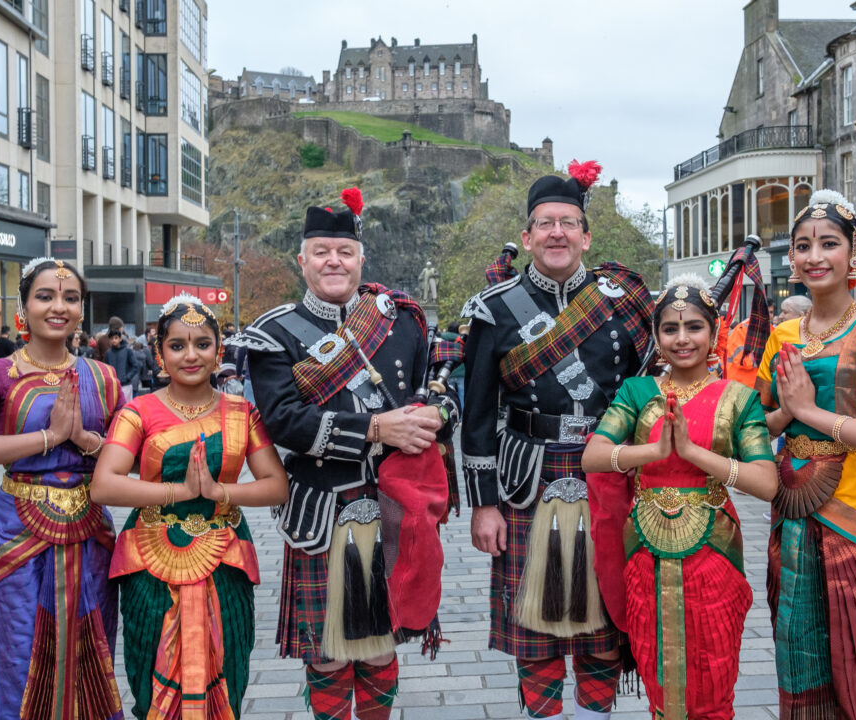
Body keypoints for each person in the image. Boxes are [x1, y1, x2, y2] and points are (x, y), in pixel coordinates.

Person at [237, 188, 457, 720]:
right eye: (320, 251)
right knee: (329, 654)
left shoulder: (402, 322)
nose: (332, 260)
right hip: (322, 510)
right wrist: (378, 427)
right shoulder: (275, 334)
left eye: (344, 251)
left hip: (394, 506)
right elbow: (286, 422)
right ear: (303, 260)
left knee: (381, 645)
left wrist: (435, 417)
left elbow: (439, 392)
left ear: (361, 259)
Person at [461, 161, 653, 720]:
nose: (557, 233)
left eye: (568, 222)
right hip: (527, 476)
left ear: (586, 234)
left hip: (604, 475)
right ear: (527, 237)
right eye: (545, 223)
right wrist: (484, 505)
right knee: (533, 629)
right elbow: (477, 415)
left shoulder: (622, 303)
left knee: (601, 623)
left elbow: (645, 394)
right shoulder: (494, 310)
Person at [582, 275, 777, 718]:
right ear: (656, 336)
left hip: (714, 547)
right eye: (670, 328)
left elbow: (766, 483)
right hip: (644, 549)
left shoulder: (738, 398)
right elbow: (592, 456)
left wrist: (692, 454)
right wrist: (655, 451)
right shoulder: (637, 392)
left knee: (714, 667)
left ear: (713, 333)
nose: (682, 338)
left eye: (694, 327)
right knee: (656, 666)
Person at [0, 258, 125, 719]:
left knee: (93, 664)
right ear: (23, 307)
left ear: (83, 309)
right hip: (16, 537)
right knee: (20, 664)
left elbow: (135, 457)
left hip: (91, 537)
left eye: (70, 297)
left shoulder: (103, 378)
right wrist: (49, 438)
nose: (58, 306)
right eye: (45, 296)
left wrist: (84, 441)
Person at [757, 189, 856, 718]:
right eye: (803, 246)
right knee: (800, 662)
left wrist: (810, 410)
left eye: (829, 243)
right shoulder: (781, 334)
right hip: (793, 514)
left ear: (855, 254)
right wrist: (785, 413)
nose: (814, 256)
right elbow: (758, 427)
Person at [92, 294, 288, 718]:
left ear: (219, 351)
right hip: (150, 560)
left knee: (228, 663)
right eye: (177, 345)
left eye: (202, 343)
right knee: (150, 671)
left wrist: (220, 493)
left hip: (224, 557)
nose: (191, 354)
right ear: (160, 353)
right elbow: (103, 485)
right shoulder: (138, 411)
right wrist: (178, 493)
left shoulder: (242, 412)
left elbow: (277, 487)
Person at [105, 329, 139, 399]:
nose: (114, 340)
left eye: (116, 338)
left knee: (126, 407)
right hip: (113, 386)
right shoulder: (108, 353)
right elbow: (106, 369)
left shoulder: (128, 350)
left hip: (126, 385)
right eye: (111, 338)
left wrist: (127, 378)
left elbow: (135, 366)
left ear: (120, 339)